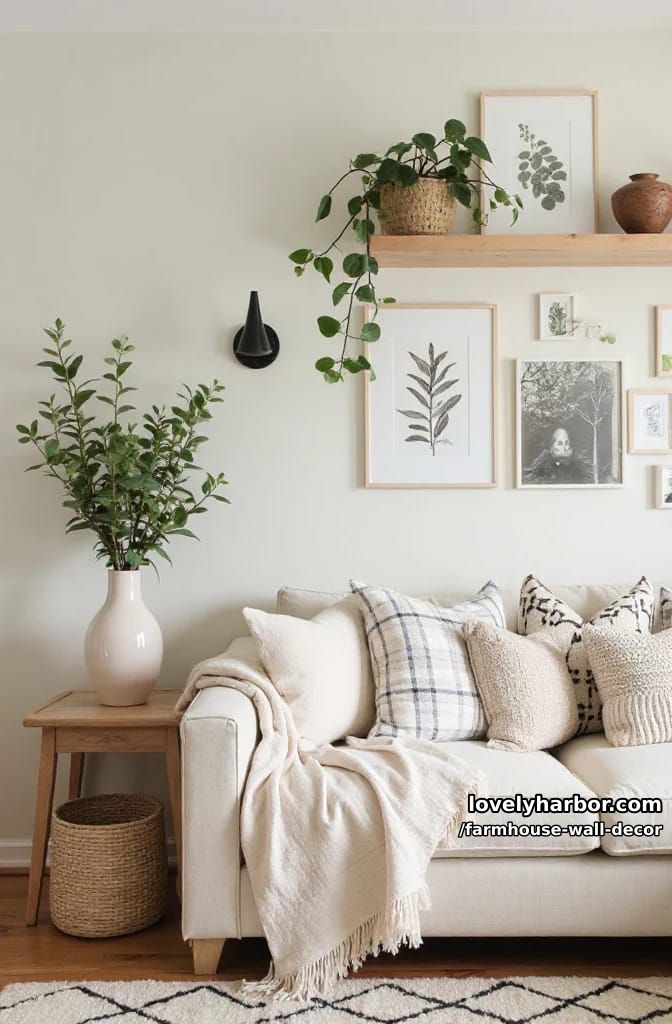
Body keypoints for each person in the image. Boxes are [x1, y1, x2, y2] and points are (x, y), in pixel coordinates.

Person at [525, 426, 593, 485]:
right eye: (560, 444)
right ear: (551, 446)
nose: (564, 447)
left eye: (567, 443)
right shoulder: (542, 470)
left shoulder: (579, 468)